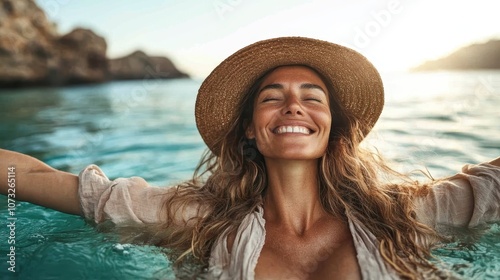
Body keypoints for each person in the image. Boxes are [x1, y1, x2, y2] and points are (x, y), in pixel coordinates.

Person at [1, 37, 500, 280]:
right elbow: (39, 178)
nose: (293, 105)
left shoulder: (405, 212)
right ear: (249, 129)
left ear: (333, 127)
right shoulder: (196, 218)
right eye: (271, 97)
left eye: (312, 96)